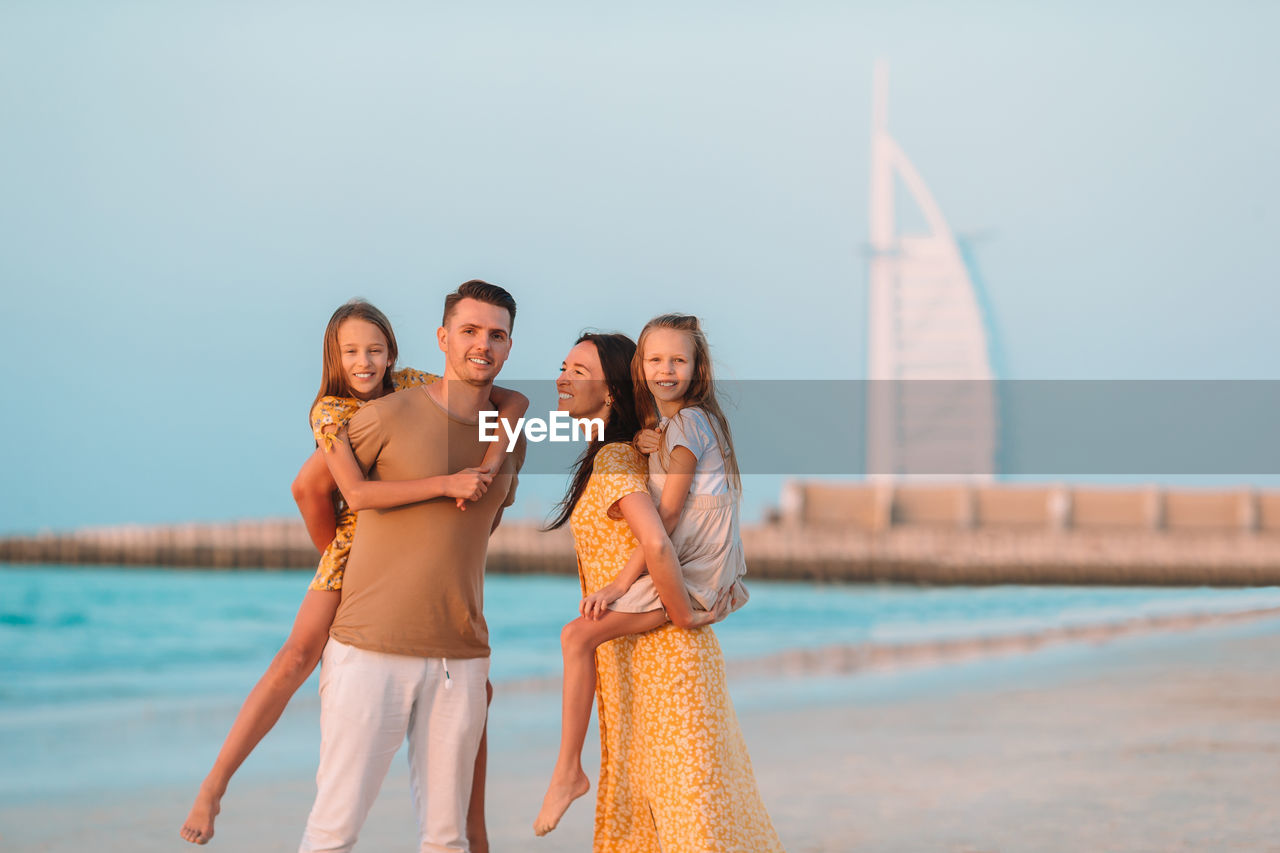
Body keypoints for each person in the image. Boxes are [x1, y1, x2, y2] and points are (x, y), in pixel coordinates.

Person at [180, 297, 526, 849]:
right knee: (295, 658)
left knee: (474, 688)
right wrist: (338, 552)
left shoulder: (413, 385)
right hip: (352, 541)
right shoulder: (334, 413)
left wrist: (487, 464)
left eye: (375, 350)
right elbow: (327, 491)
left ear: (393, 353)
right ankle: (215, 784)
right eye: (351, 353)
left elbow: (515, 399)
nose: (364, 362)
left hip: (436, 611)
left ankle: (473, 831)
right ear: (333, 358)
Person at [297, 280, 525, 853]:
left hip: (462, 656)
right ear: (443, 339)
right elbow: (312, 487)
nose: (483, 344)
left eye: (496, 335)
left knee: (446, 838)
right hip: (369, 650)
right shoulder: (383, 415)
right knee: (334, 830)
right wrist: (345, 559)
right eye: (469, 331)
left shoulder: (511, 431)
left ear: (508, 347)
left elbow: (485, 522)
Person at [539, 331, 783, 850]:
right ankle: (567, 773)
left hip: (667, 661)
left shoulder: (614, 461)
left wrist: (682, 612)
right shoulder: (629, 452)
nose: (562, 378)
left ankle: (566, 773)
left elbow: (659, 536)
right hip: (647, 658)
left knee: (689, 819)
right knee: (671, 818)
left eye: (579, 372)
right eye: (563, 366)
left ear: (613, 391)